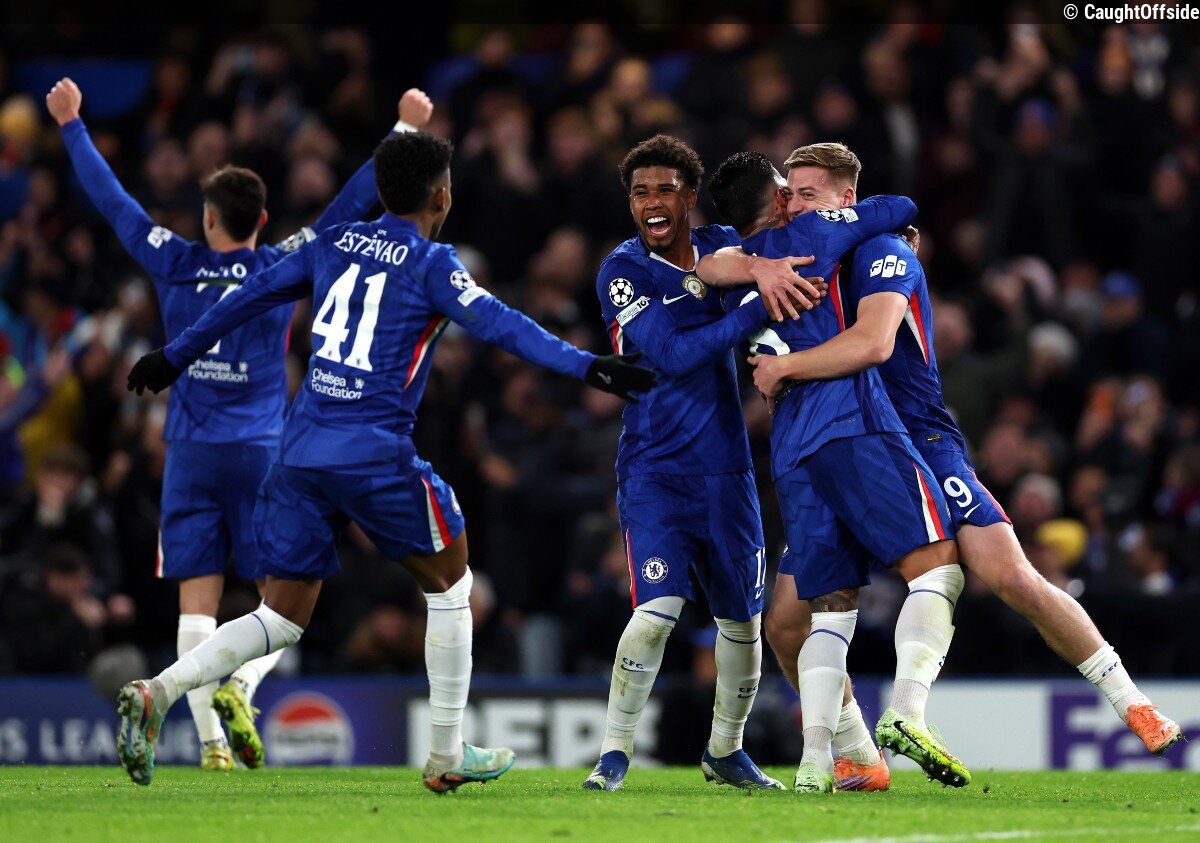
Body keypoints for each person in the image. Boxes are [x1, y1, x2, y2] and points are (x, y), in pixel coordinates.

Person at [116, 130, 657, 790]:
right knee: (452, 585)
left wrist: (174, 355)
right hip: (374, 454)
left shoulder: (332, 241)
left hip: (299, 452)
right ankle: (446, 752)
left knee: (279, 616)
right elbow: (502, 324)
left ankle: (158, 691)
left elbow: (249, 295)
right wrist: (588, 366)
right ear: (442, 197)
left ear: (379, 191)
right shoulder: (432, 264)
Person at [747, 142, 1183, 789]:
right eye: (792, 196)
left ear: (847, 199)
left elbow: (873, 342)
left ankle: (1132, 703)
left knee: (1010, 575)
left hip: (917, 439)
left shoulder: (882, 251)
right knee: (786, 623)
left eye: (810, 194)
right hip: (846, 446)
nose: (797, 207)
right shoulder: (805, 263)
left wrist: (783, 366)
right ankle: (858, 750)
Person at [47, 77, 434, 772]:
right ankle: (242, 686)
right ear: (261, 220)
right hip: (262, 454)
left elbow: (114, 202)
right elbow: (353, 201)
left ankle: (210, 747)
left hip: (190, 454)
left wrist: (73, 124)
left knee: (195, 603)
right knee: (279, 603)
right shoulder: (280, 261)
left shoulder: (174, 260)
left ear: (208, 218)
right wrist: (402, 129)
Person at [705, 150, 967, 794]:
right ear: (776, 201)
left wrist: (752, 262)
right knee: (939, 566)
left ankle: (817, 763)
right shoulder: (816, 232)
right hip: (852, 419)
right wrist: (866, 218)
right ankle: (906, 711)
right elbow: (900, 206)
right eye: (787, 191)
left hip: (789, 443)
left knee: (829, 607)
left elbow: (703, 264)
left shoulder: (732, 269)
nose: (795, 199)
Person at [584, 134, 824, 792]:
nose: (651, 203)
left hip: (728, 470)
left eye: (664, 190)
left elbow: (789, 249)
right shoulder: (622, 271)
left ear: (689, 197)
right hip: (655, 468)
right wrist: (757, 302)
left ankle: (726, 751)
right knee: (656, 611)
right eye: (640, 192)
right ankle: (614, 752)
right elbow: (672, 354)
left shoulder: (723, 246)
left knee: (741, 622)